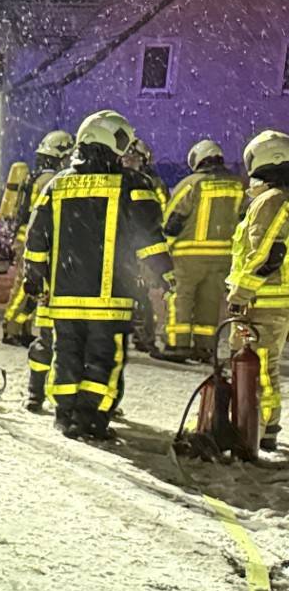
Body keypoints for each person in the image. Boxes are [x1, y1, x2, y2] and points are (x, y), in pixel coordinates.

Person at [21, 110, 174, 439]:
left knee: (67, 355)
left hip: (64, 296)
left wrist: (33, 278)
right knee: (103, 359)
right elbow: (149, 238)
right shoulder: (133, 185)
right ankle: (91, 419)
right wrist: (165, 275)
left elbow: (36, 238)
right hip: (110, 297)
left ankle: (65, 415)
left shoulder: (56, 185)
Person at [225, 130, 289, 451]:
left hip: (263, 300)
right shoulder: (280, 197)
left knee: (260, 365)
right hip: (271, 299)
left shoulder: (272, 199)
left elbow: (266, 253)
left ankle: (258, 430)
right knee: (265, 365)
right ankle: (265, 426)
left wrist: (240, 294)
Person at [160, 139, 246, 361]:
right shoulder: (237, 185)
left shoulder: (191, 184)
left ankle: (177, 346)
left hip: (188, 256)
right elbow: (245, 218)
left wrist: (165, 247)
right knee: (210, 302)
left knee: (181, 298)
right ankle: (205, 348)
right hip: (223, 257)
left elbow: (171, 220)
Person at [3, 130, 76, 347]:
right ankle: (12, 328)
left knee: (26, 285)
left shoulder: (36, 176)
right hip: (33, 239)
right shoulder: (50, 180)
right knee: (25, 286)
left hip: (26, 236)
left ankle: (20, 328)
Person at [123, 139, 169, 353]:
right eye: (126, 156)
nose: (128, 160)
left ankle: (144, 337)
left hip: (140, 248)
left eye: (133, 157)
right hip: (122, 247)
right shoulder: (121, 180)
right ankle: (130, 334)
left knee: (140, 292)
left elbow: (162, 214)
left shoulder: (151, 183)